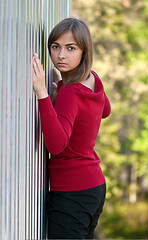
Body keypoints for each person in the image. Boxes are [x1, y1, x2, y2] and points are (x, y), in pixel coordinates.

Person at [32, 17, 111, 239]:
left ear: (84, 51)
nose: (61, 55)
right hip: (95, 187)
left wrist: (43, 94)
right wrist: (61, 85)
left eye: (71, 48)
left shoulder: (70, 93)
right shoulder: (93, 78)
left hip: (72, 193)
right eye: (55, 47)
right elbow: (105, 110)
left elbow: (56, 146)